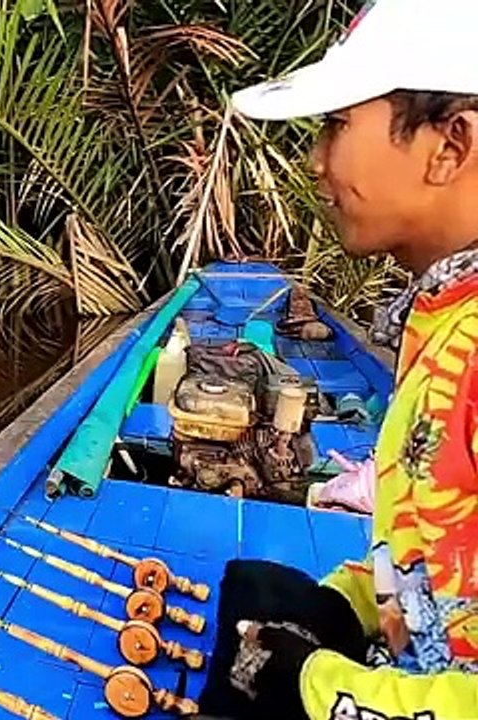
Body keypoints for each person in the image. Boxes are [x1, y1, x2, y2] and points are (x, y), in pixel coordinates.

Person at [224, 0, 478, 718]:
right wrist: (347, 604)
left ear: (449, 144)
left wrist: (322, 691)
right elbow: (440, 541)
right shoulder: (442, 312)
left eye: (336, 125)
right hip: (420, 666)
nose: (315, 160)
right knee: (258, 592)